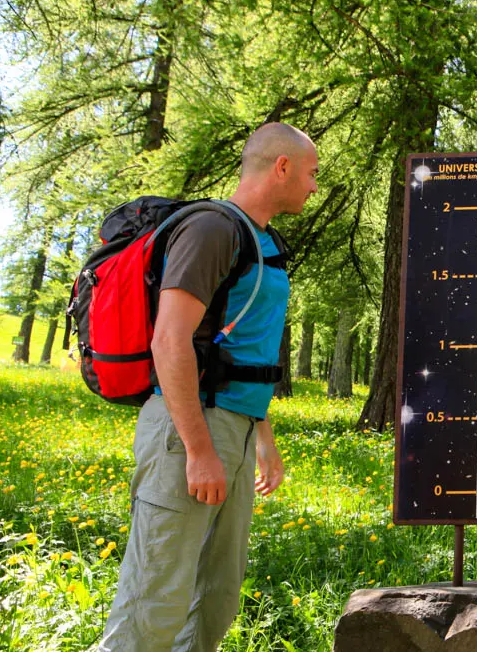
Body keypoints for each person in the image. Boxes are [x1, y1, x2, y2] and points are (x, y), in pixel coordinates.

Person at [100, 123, 318, 652]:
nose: (314, 186)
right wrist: (199, 450)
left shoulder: (263, 241)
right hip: (188, 432)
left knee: (214, 602)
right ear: (281, 167)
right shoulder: (213, 230)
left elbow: (240, 352)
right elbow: (170, 340)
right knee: (153, 605)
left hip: (235, 431)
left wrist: (262, 439)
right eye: (311, 173)